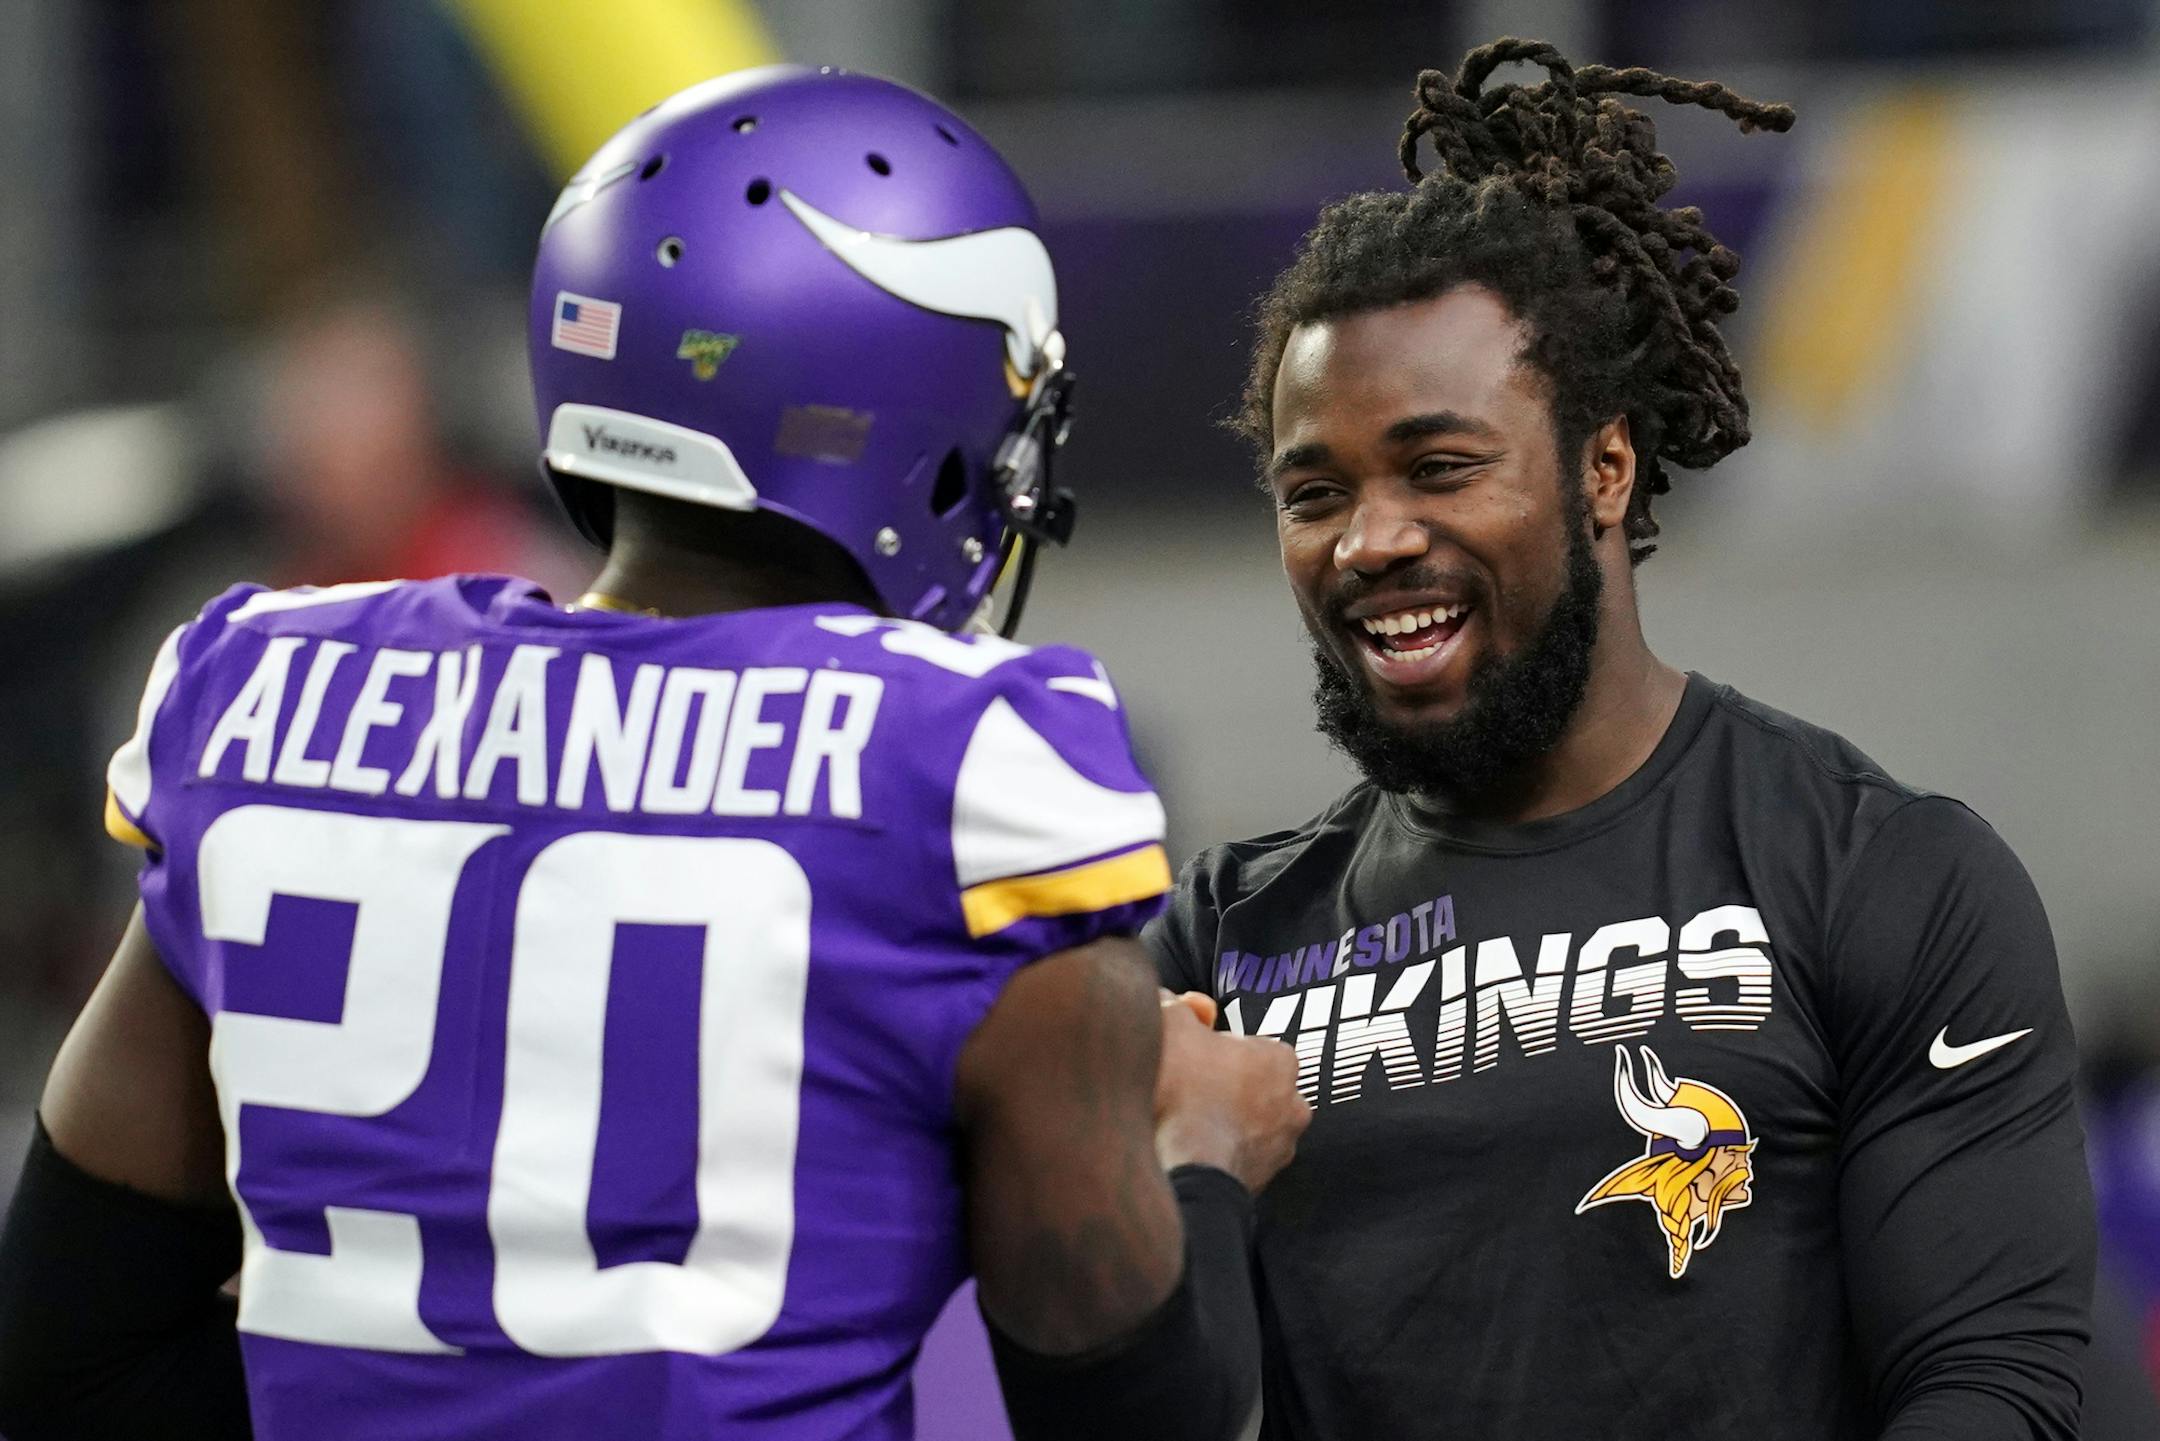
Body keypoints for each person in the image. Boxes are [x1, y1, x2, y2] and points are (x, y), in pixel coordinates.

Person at [0, 66, 1309, 1441]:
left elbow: (65, 1357)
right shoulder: (974, 766)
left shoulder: (267, 689)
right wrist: (1205, 1153)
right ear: (926, 415)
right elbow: (1134, 1414)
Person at [1145, 38, 2093, 1441]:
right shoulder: (1220, 948)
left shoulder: (1876, 872)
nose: (1372, 539)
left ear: (1604, 465)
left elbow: (1998, 1390)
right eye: (1315, 490)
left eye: (1440, 466)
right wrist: (1188, 1178)